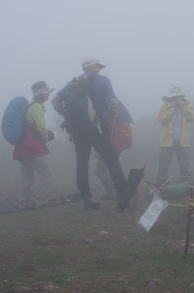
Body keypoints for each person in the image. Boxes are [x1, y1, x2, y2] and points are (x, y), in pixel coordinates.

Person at [52, 58, 130, 210]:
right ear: (93, 67)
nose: (99, 69)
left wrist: (63, 114)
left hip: (77, 130)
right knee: (112, 160)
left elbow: (55, 100)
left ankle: (87, 198)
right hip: (96, 128)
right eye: (98, 66)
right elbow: (113, 103)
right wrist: (109, 120)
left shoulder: (73, 82)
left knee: (82, 163)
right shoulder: (103, 81)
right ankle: (123, 195)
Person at [13, 81, 54, 209]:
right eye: (47, 93)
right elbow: (41, 127)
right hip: (31, 147)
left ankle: (23, 202)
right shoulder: (36, 107)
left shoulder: (29, 106)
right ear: (42, 94)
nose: (48, 95)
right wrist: (46, 138)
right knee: (45, 173)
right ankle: (43, 199)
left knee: (27, 177)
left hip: (21, 147)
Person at [95, 100, 133, 200]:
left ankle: (114, 192)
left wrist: (100, 148)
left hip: (112, 144)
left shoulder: (106, 108)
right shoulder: (117, 108)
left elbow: (108, 132)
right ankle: (121, 190)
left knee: (100, 170)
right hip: (119, 142)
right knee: (115, 167)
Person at [157, 86, 194, 186]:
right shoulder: (165, 106)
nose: (177, 99)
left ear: (182, 97)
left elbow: (191, 118)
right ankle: (161, 188)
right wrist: (172, 109)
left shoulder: (186, 105)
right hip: (167, 141)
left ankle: (185, 187)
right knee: (163, 166)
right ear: (171, 97)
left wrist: (184, 107)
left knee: (184, 166)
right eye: (175, 97)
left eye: (179, 97)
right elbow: (162, 121)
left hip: (182, 141)